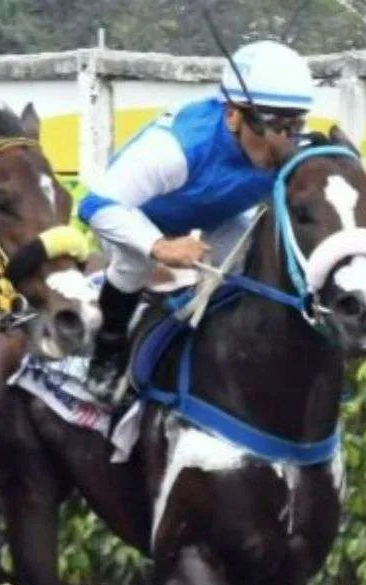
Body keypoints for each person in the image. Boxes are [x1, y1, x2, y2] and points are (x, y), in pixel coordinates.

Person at [77, 39, 314, 400]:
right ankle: (107, 354)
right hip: (136, 215)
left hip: (217, 213)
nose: (281, 141)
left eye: (293, 125)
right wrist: (159, 246)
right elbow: (95, 204)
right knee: (134, 261)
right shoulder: (176, 149)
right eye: (271, 125)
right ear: (233, 114)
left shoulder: (291, 147)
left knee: (249, 268)